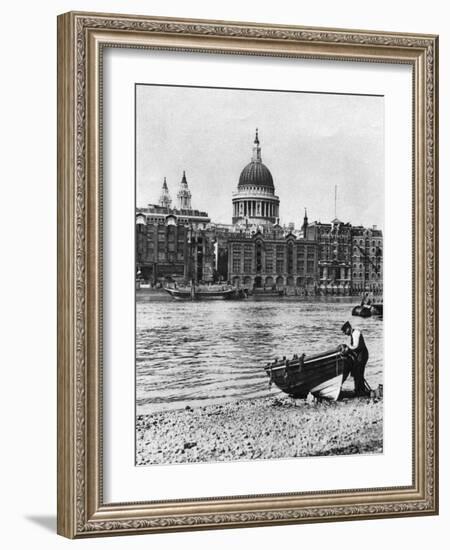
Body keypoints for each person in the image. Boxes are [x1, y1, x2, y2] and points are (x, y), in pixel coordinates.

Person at [341, 321, 369, 396]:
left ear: (348, 328)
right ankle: (359, 390)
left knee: (358, 372)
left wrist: (348, 348)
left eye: (345, 331)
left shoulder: (356, 333)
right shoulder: (353, 334)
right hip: (360, 355)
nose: (344, 333)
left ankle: (360, 391)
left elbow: (356, 346)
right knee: (357, 372)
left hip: (362, 355)